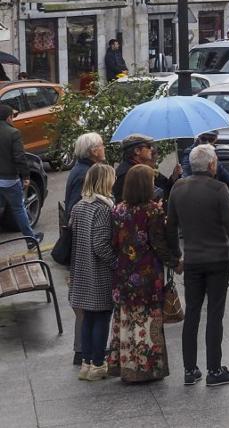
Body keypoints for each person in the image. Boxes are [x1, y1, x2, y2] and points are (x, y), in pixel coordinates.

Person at [165, 145, 229, 387]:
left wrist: (176, 257)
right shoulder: (219, 189)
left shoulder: (178, 188)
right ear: (211, 165)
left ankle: (190, 369)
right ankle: (214, 369)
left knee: (193, 314)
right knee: (215, 315)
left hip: (193, 259)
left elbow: (170, 226)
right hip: (217, 258)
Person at [109, 165, 177, 383]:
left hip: (123, 272)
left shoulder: (118, 209)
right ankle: (147, 367)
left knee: (127, 318)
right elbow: (158, 243)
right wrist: (174, 262)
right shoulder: (152, 211)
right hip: (147, 273)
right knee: (147, 319)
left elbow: (114, 241)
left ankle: (127, 367)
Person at [68, 164, 117, 382]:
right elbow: (100, 244)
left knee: (88, 316)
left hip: (81, 270)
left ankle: (86, 363)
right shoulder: (103, 209)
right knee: (102, 317)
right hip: (99, 272)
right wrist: (116, 263)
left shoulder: (79, 206)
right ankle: (98, 363)